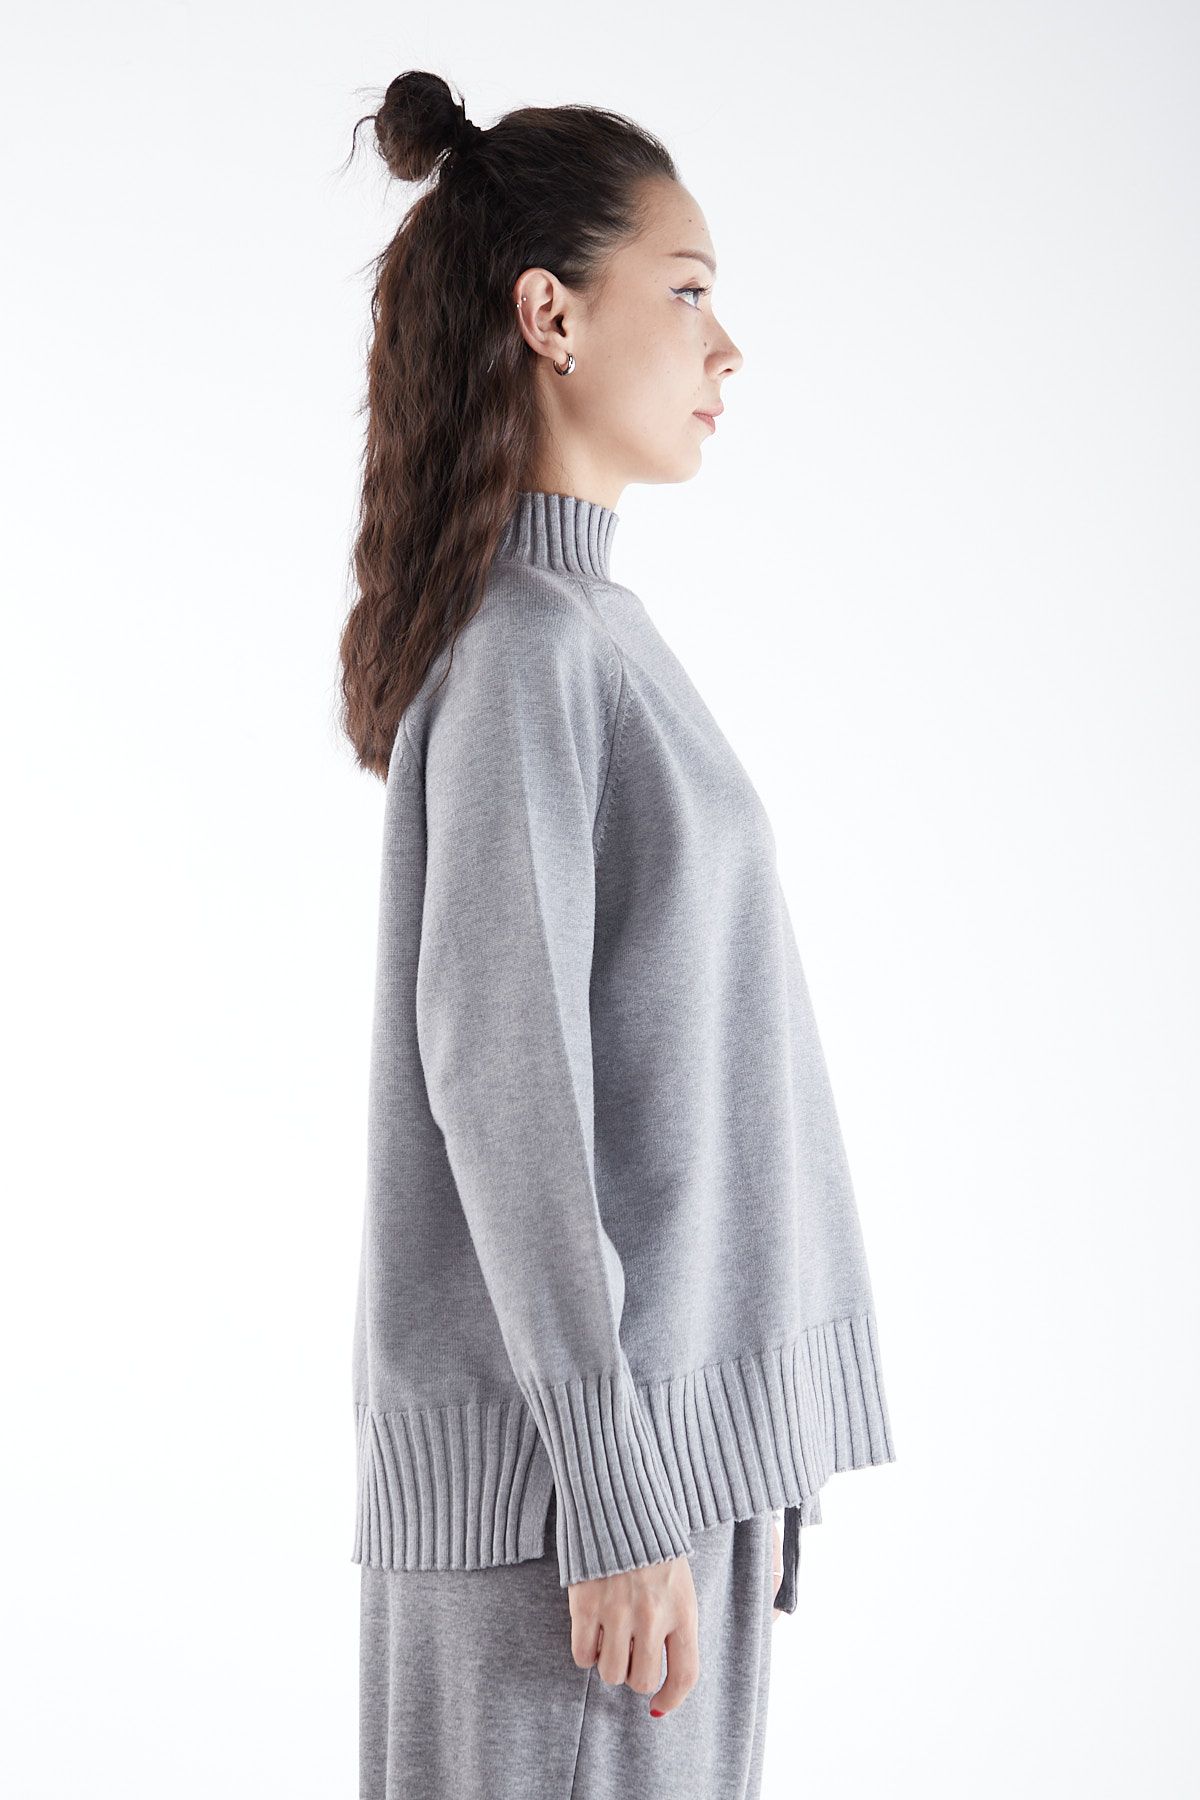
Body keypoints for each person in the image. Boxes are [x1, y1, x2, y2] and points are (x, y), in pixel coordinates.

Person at [337, 70, 897, 1800]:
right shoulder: (527, 653)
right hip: (583, 1517)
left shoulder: (588, 631)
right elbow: (502, 1091)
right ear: (553, 317)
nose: (728, 347)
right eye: (691, 289)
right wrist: (613, 1484)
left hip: (636, 1483)